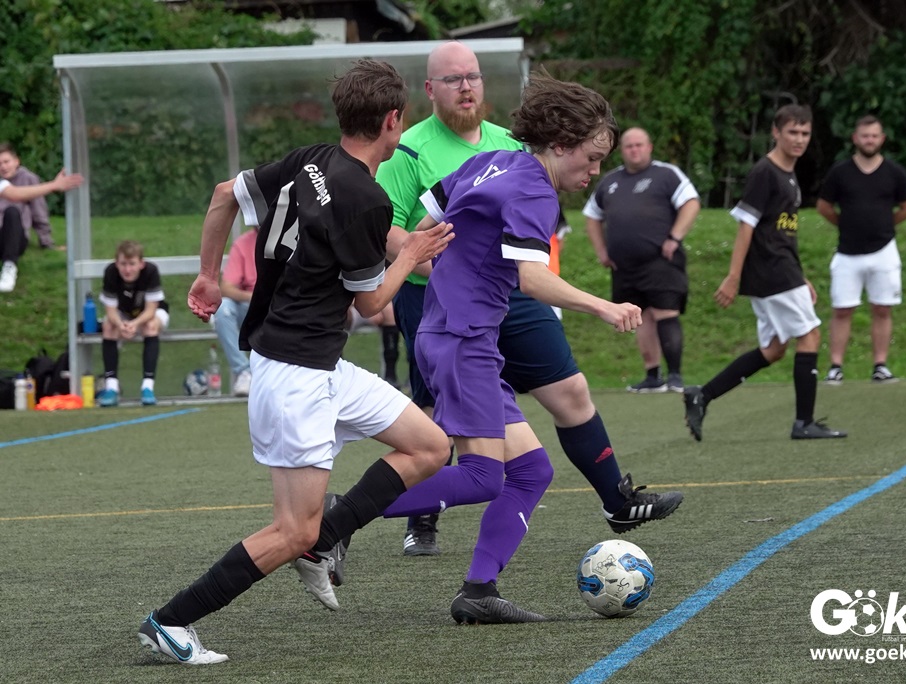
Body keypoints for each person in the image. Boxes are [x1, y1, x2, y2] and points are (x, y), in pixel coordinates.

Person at [137, 59, 454, 665]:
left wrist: (207, 275)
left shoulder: (311, 159)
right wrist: (411, 253)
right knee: (291, 529)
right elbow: (372, 303)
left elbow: (224, 195)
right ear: (393, 120)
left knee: (430, 445)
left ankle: (324, 540)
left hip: (319, 364)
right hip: (295, 376)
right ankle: (170, 622)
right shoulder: (367, 198)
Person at [303, 70, 646, 625]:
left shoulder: (495, 162)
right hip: (463, 341)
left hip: (454, 333)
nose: (594, 171)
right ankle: (333, 521)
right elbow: (531, 278)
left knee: (532, 471)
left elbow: (427, 225)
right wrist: (604, 306)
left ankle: (479, 590)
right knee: (484, 477)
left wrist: (459, 273)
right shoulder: (534, 190)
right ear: (560, 144)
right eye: (591, 158)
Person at [376, 40, 684, 558]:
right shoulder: (410, 148)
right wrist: (443, 268)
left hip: (499, 298)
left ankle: (605, 509)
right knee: (453, 443)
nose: (467, 86)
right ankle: (379, 518)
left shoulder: (506, 148)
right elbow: (397, 228)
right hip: (448, 309)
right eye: (454, 79)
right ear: (429, 88)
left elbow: (518, 262)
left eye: (473, 76)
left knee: (561, 409)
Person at [683, 104, 847, 442]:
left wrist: (800, 275)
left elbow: (783, 232)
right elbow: (746, 226)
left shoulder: (789, 174)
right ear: (776, 132)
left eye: (805, 133)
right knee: (811, 335)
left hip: (782, 269)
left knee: (774, 349)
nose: (799, 139)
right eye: (792, 132)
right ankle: (804, 423)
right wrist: (733, 276)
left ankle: (702, 395)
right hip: (770, 270)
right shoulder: (765, 172)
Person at [583, 127, 700, 394]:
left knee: (665, 313)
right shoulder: (610, 181)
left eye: (639, 145)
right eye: (629, 146)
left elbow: (691, 203)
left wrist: (675, 237)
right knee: (640, 317)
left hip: (660, 260)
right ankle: (652, 376)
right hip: (624, 267)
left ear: (649, 147)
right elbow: (591, 215)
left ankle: (675, 377)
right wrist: (602, 251)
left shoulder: (666, 174)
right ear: (621, 151)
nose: (634, 150)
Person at [816, 115, 906, 384]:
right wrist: (844, 224)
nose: (869, 140)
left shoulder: (894, 172)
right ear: (855, 139)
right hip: (847, 253)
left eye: (874, 136)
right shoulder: (840, 172)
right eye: (864, 136)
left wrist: (887, 224)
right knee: (842, 309)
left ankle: (880, 365)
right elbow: (824, 206)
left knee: (882, 308)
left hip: (884, 251)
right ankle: (835, 366)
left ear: (882, 139)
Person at [0, 143, 83, 293]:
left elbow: (26, 202)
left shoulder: (27, 179)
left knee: (12, 212)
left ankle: (9, 267)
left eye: (6, 162)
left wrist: (47, 242)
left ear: (16, 161)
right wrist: (54, 185)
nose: (3, 167)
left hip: (14, 237)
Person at [95, 240, 169, 407]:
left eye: (132, 264)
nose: (127, 270)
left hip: (151, 313)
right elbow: (110, 310)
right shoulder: (111, 272)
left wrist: (134, 324)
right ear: (117, 263)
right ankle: (111, 387)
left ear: (141, 264)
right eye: (123, 264)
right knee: (108, 327)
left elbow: (151, 310)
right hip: (122, 313)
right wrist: (121, 325)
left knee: (150, 326)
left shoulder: (151, 271)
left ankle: (147, 388)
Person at [214, 225, 257, 396]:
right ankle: (244, 372)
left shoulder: (294, 238)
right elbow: (226, 288)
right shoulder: (243, 243)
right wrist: (256, 297)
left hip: (284, 304)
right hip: (252, 304)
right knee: (223, 309)